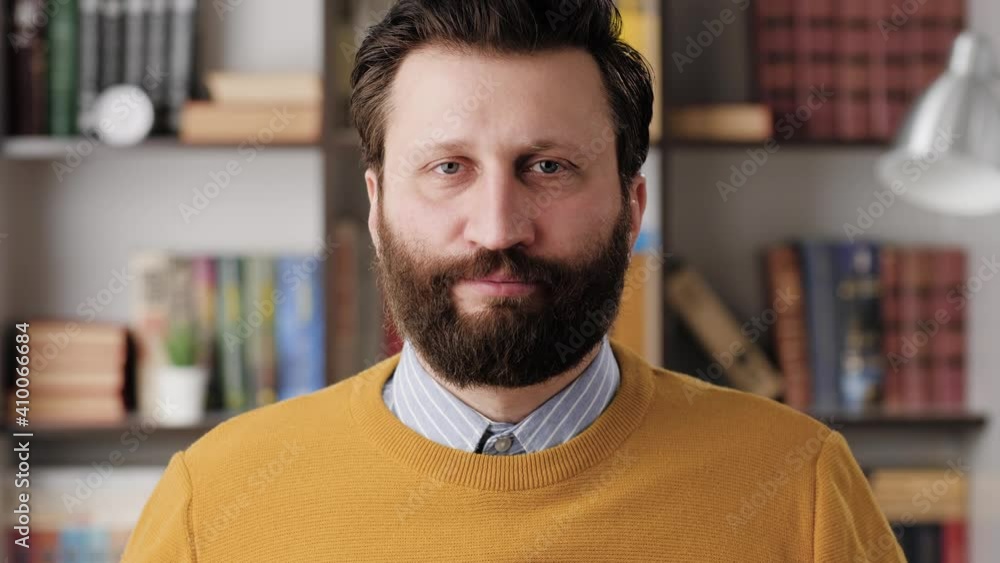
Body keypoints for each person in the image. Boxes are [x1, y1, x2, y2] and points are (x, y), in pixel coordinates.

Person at [122, 1, 905, 561]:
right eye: (447, 168)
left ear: (633, 208)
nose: (497, 227)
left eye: (550, 166)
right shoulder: (213, 498)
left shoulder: (799, 486)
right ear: (376, 203)